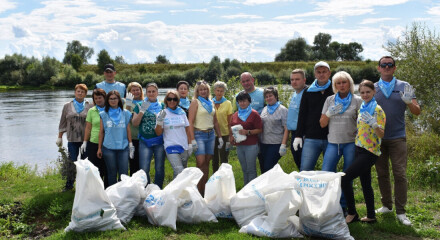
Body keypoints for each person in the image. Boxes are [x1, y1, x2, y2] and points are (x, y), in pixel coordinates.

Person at [373, 56, 421, 226]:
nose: (386, 67)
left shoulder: (404, 86)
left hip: (397, 137)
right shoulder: (372, 87)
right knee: (382, 173)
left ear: (394, 68)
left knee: (400, 174)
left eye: (390, 65)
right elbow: (363, 110)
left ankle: (401, 212)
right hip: (377, 139)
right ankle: (387, 205)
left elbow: (417, 111)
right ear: (378, 68)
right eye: (383, 65)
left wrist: (409, 103)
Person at [342, 80, 386, 224]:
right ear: (359, 94)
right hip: (359, 148)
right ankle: (371, 216)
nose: (365, 94)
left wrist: (374, 124)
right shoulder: (363, 107)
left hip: (370, 152)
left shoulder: (377, 109)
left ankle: (352, 213)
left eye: (368, 92)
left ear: (374, 92)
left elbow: (381, 134)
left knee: (344, 179)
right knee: (365, 183)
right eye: (362, 92)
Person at [320, 71, 362, 215]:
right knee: (326, 173)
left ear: (349, 83)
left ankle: (343, 205)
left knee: (346, 176)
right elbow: (322, 124)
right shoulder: (330, 100)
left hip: (350, 143)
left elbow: (362, 122)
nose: (341, 85)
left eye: (344, 82)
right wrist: (328, 114)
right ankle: (327, 204)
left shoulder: (357, 100)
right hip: (333, 143)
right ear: (335, 85)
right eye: (338, 83)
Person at [293, 61, 334, 171]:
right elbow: (302, 113)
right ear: (315, 74)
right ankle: (304, 189)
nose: (321, 74)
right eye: (318, 72)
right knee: (305, 169)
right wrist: (298, 135)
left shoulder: (335, 89)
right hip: (311, 137)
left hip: (331, 137)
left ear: (329, 73)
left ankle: (330, 189)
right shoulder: (308, 91)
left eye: (324, 72)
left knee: (329, 171)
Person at [188, 80, 222, 195]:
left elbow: (215, 121)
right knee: (200, 162)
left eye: (205, 89)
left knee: (207, 162)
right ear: (197, 91)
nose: (203, 91)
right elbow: (190, 121)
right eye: (201, 89)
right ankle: (196, 189)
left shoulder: (211, 102)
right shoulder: (195, 102)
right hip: (199, 134)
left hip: (211, 135)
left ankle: (204, 190)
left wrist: (220, 137)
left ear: (208, 90)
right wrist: (192, 140)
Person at [57, 83, 91, 191]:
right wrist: (60, 137)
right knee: (72, 161)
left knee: (84, 162)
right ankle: (69, 185)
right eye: (78, 91)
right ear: (75, 92)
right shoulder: (67, 105)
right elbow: (62, 122)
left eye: (82, 92)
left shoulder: (90, 105)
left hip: (86, 139)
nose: (80, 93)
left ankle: (83, 186)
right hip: (72, 139)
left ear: (86, 93)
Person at [97, 90, 134, 186]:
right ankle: (112, 196)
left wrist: (130, 145)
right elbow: (101, 132)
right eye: (111, 99)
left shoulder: (125, 113)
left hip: (123, 148)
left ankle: (123, 195)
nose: (113, 100)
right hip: (108, 148)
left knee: (124, 174)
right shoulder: (103, 114)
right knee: (111, 173)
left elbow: (128, 129)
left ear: (119, 100)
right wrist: (99, 148)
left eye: (115, 98)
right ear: (107, 100)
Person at [132, 83, 165, 188]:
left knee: (159, 168)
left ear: (157, 93)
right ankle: (146, 190)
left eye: (153, 91)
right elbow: (135, 123)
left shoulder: (162, 106)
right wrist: (142, 111)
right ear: (146, 93)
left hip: (159, 141)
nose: (151, 93)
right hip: (145, 141)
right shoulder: (139, 105)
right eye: (149, 91)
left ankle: (158, 190)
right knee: (144, 168)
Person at [155, 90, 192, 178]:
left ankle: (176, 191)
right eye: (169, 99)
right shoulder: (162, 113)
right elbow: (158, 133)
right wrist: (159, 122)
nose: (172, 101)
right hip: (170, 146)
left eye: (174, 99)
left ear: (177, 101)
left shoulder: (182, 112)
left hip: (183, 146)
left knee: (179, 172)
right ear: (166, 100)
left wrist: (190, 144)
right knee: (180, 171)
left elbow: (187, 129)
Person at [230, 92, 263, 186]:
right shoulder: (236, 114)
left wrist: (248, 132)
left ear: (249, 101)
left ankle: (252, 191)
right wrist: (232, 136)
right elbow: (232, 127)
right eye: (240, 101)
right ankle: (245, 190)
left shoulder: (254, 114)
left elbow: (260, 129)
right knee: (244, 169)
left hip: (251, 145)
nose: (242, 103)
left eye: (244, 101)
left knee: (251, 169)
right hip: (240, 145)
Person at [80, 88, 108, 187]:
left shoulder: (110, 109)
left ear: (105, 98)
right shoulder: (92, 110)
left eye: (100, 98)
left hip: (108, 143)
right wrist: (85, 141)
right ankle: (96, 188)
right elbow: (88, 127)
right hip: (94, 142)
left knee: (107, 168)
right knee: (95, 168)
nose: (98, 100)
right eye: (96, 98)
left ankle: (107, 189)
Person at [259, 86, 289, 173]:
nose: (268, 98)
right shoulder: (265, 109)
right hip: (263, 143)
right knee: (263, 168)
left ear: (276, 96)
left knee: (268, 167)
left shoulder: (283, 109)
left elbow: (286, 129)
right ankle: (267, 186)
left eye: (270, 96)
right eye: (266, 97)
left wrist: (283, 145)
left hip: (275, 144)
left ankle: (273, 185)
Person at [287, 69, 308, 170]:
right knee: (298, 162)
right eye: (292, 79)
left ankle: (307, 184)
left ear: (304, 80)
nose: (294, 82)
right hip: (294, 133)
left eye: (297, 79)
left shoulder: (307, 93)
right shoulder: (295, 93)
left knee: (304, 165)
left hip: (303, 134)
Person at [212, 81, 233, 174]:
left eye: (221, 91)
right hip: (212, 134)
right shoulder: (210, 102)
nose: (219, 93)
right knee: (214, 158)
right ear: (214, 91)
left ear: (224, 92)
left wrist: (230, 135)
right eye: (217, 90)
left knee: (224, 158)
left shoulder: (228, 103)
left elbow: (230, 121)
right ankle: (215, 177)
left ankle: (225, 177)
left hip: (225, 133)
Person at [124, 82, 144, 175]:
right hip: (132, 138)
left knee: (143, 164)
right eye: (133, 90)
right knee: (133, 164)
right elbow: (126, 119)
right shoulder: (126, 103)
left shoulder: (145, 102)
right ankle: (133, 185)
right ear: (129, 92)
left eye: (138, 89)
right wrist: (128, 105)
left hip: (144, 137)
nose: (136, 92)